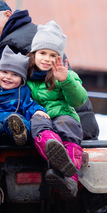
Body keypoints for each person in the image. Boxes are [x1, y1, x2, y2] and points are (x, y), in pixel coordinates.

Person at [0, 0, 99, 140]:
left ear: (8, 15)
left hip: (55, 126)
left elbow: (2, 95)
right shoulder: (37, 34)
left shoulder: (9, 46)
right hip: (80, 123)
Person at [26, 21, 88, 198]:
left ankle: (70, 179)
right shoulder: (24, 75)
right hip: (39, 115)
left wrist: (65, 80)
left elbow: (79, 100)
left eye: (53, 54)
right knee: (38, 122)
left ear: (59, 57)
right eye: (42, 53)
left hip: (63, 114)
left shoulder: (65, 74)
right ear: (34, 54)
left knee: (67, 125)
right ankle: (54, 150)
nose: (47, 58)